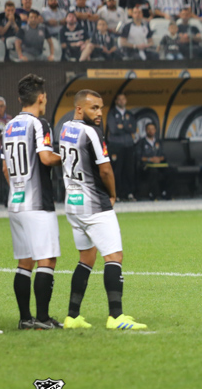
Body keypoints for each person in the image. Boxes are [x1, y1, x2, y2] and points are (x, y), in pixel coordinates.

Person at [59, 89, 147, 330]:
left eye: (100, 108)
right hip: (94, 203)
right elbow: (106, 169)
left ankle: (72, 316)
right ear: (79, 109)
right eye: (93, 108)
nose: (99, 113)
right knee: (114, 256)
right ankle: (116, 316)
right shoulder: (92, 132)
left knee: (86, 258)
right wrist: (112, 194)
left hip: (73, 203)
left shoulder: (65, 128)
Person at [1, 74, 62, 330]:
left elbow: (5, 168)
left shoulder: (8, 126)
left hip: (16, 203)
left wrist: (18, 188)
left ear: (19, 99)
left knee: (24, 262)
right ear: (41, 97)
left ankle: (26, 319)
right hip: (37, 204)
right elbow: (46, 158)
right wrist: (68, 156)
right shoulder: (39, 124)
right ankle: (44, 319)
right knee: (46, 260)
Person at [106, 93, 136, 201]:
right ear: (116, 101)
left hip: (128, 145)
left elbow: (133, 128)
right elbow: (114, 129)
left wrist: (122, 126)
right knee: (116, 170)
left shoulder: (129, 114)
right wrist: (126, 126)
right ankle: (116, 194)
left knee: (129, 170)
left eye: (123, 99)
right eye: (119, 99)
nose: (122, 101)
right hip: (116, 145)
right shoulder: (112, 113)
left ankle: (129, 193)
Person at [137, 122, 169, 200]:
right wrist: (150, 159)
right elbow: (139, 156)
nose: (151, 131)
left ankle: (168, 194)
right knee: (153, 172)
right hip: (146, 166)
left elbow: (164, 156)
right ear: (146, 130)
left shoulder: (158, 142)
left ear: (155, 130)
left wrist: (158, 159)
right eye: (149, 129)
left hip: (159, 165)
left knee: (171, 171)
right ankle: (156, 195)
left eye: (152, 129)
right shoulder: (141, 142)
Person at [0, 96, 12, 207]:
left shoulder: (10, 119)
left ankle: (7, 200)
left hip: (7, 153)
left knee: (7, 175)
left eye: (1, 106)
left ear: (5, 107)